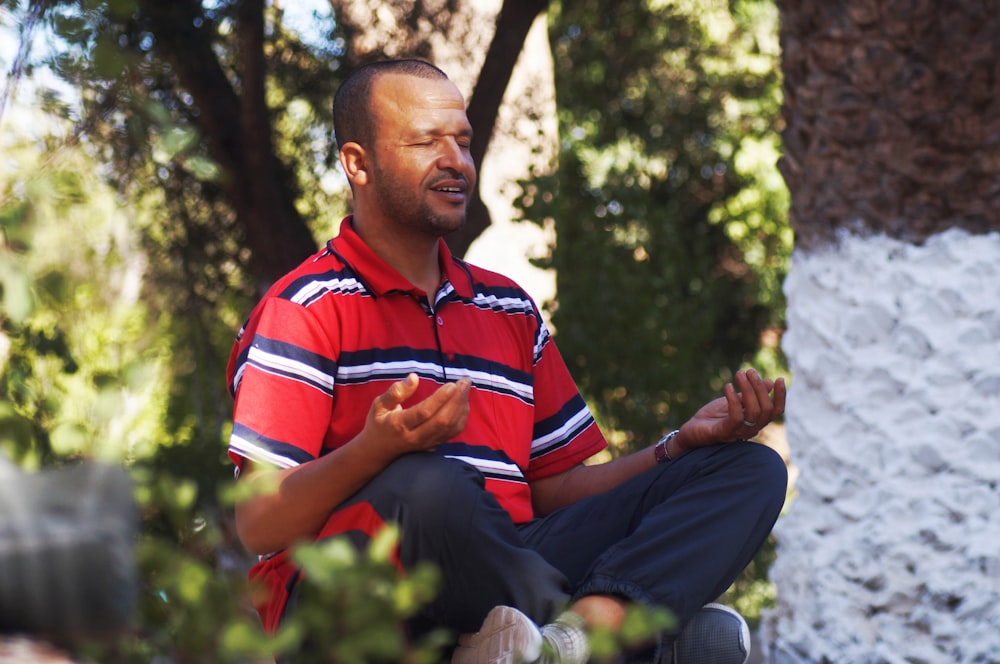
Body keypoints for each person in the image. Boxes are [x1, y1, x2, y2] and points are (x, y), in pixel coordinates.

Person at [226, 58, 788, 664]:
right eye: (426, 141)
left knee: (748, 471)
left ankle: (563, 643)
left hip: (508, 579)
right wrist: (374, 449)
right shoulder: (305, 306)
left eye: (463, 142)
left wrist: (677, 447)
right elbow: (258, 522)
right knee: (426, 485)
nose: (455, 161)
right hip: (360, 605)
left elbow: (556, 492)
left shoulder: (508, 308)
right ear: (357, 164)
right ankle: (624, 643)